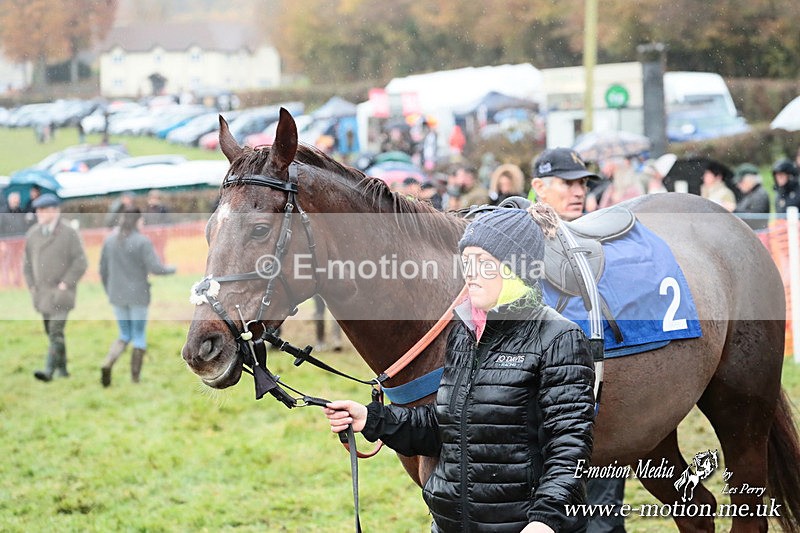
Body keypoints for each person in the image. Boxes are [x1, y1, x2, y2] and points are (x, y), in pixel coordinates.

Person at [323, 205, 595, 533]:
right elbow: (446, 428)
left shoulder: (559, 337)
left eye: (483, 262)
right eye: (466, 261)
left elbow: (570, 450)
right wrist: (373, 419)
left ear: (515, 269)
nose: (470, 273)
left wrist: (545, 522)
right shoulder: (464, 333)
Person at [530, 148, 626, 533]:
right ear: (538, 187)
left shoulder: (594, 248)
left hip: (598, 395)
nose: (578, 191)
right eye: (567, 182)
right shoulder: (513, 245)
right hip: (543, 408)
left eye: (583, 183)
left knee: (601, 511)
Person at [99, 206, 176, 386]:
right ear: (137, 221)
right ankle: (135, 379)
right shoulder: (142, 241)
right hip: (138, 295)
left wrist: (109, 290)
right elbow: (156, 268)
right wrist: (172, 269)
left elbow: (102, 271)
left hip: (116, 295)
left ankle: (107, 363)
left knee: (124, 335)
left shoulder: (109, 241)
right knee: (139, 336)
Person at [23, 194, 88, 382]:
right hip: (41, 295)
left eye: (42, 210)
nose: (38, 214)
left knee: (55, 332)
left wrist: (66, 283)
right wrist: (32, 287)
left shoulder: (69, 232)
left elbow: (81, 262)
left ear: (54, 211)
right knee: (52, 334)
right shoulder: (33, 234)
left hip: (61, 294)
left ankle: (48, 371)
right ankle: (64, 370)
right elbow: (26, 265)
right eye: (37, 210)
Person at [530, 147, 597, 221]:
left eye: (582, 183)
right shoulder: (524, 230)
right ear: (540, 188)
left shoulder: (593, 227)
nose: (580, 193)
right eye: (567, 183)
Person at [732, 163, 770, 231]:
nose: (738, 185)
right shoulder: (750, 194)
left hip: (757, 237)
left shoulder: (760, 195)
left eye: (741, 181)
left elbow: (754, 220)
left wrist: (734, 209)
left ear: (751, 179)